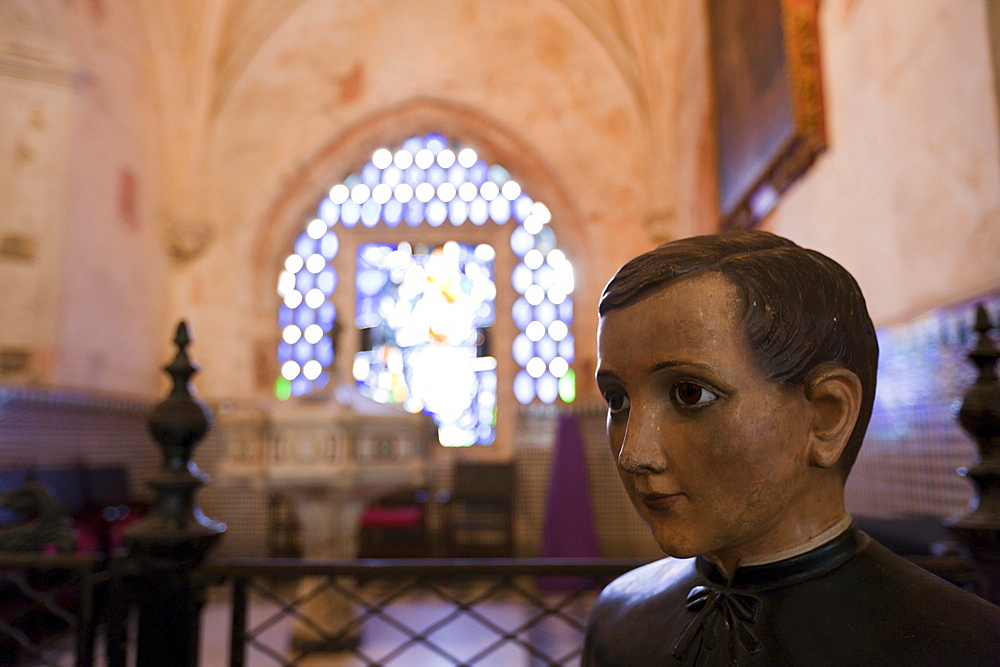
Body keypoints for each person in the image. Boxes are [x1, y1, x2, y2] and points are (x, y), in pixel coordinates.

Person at [583, 231, 1000, 666]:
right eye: (618, 400)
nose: (634, 454)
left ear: (826, 416)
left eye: (690, 394)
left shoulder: (959, 646)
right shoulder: (620, 616)